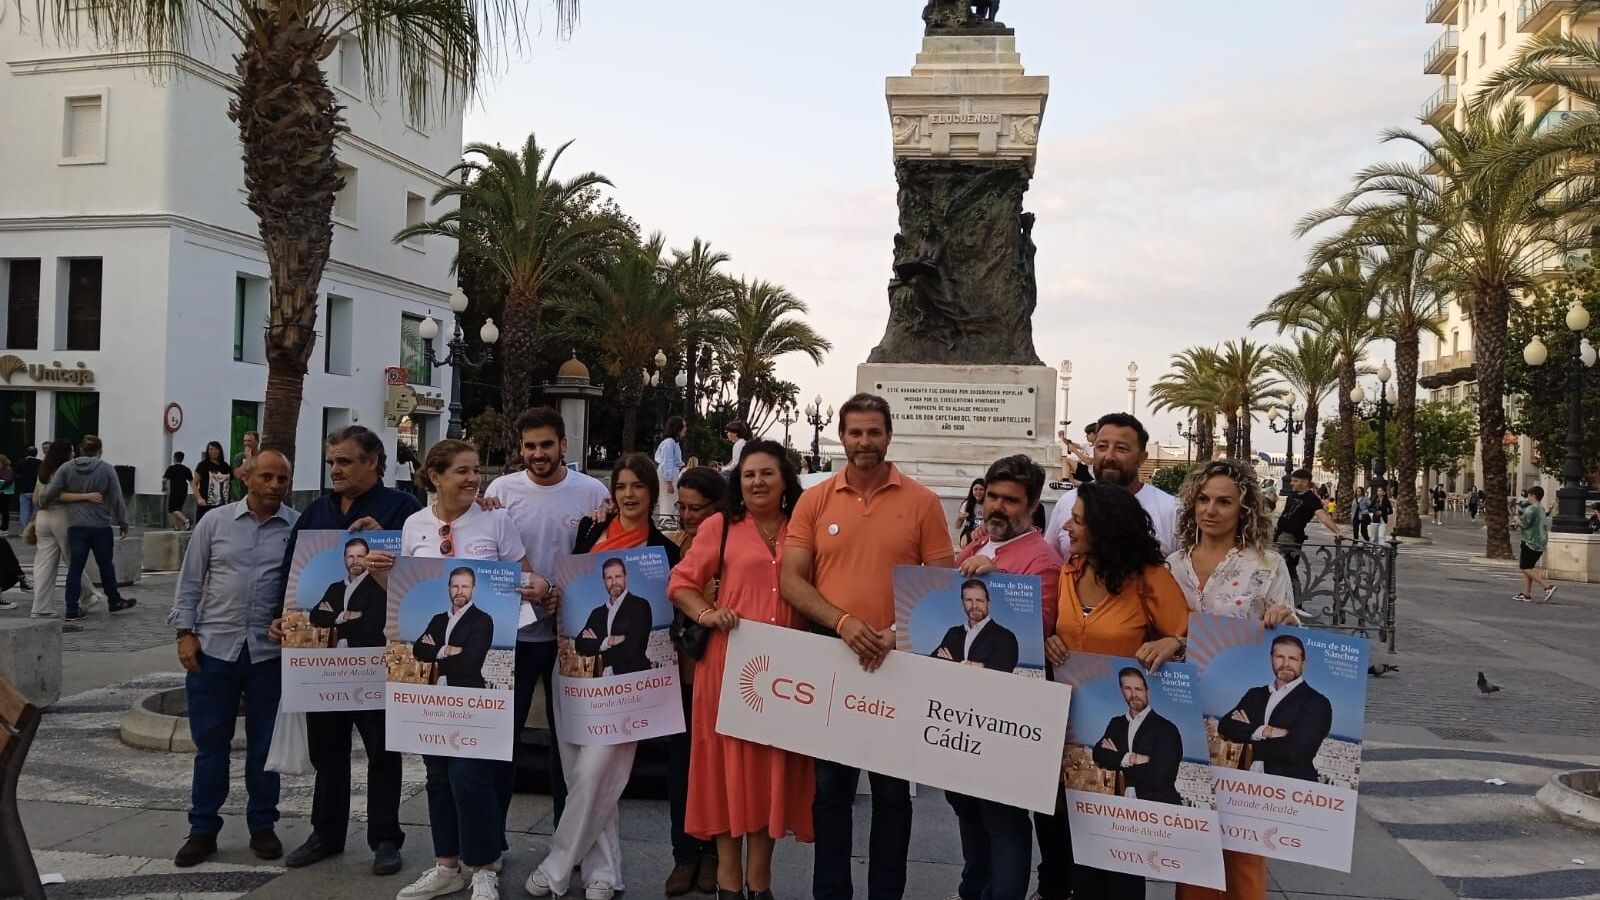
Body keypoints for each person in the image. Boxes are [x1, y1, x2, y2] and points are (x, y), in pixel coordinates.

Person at [779, 392, 954, 900]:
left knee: (893, 795)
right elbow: (791, 580)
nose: (864, 441)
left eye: (874, 432)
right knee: (831, 790)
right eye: (855, 432)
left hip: (898, 661)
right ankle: (830, 891)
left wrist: (896, 634)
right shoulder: (816, 499)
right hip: (832, 656)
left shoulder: (921, 502)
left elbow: (942, 586)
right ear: (841, 436)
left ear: (889, 436)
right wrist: (843, 623)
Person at [527, 453, 682, 900]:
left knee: (596, 773)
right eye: (622, 486)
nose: (629, 494)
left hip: (630, 686)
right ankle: (604, 874)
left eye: (638, 485)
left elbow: (644, 634)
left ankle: (557, 865)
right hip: (573, 674)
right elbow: (574, 601)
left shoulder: (665, 551)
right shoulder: (589, 531)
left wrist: (607, 642)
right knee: (578, 772)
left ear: (652, 491)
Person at [668, 440, 815, 900]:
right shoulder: (721, 527)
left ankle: (760, 882)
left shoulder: (802, 529)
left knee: (771, 772)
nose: (757, 482)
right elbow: (681, 583)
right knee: (727, 774)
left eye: (767, 473)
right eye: (749, 474)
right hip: (729, 668)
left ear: (785, 479)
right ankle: (729, 882)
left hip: (786, 672)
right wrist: (706, 613)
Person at [395, 438, 539, 900]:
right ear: (435, 476)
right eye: (462, 470)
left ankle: (484, 865)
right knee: (437, 774)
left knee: (471, 773)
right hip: (430, 693)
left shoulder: (496, 520)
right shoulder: (414, 525)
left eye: (476, 469)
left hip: (480, 686)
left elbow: (524, 574)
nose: (474, 478)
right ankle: (446, 864)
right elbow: (416, 626)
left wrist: (535, 586)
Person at [279, 426, 421, 877]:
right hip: (323, 668)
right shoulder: (316, 511)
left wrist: (386, 540)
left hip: (378, 661)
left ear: (372, 462)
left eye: (344, 461)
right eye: (331, 462)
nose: (335, 469)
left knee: (383, 751)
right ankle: (326, 833)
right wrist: (277, 616)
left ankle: (385, 838)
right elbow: (291, 572)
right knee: (328, 751)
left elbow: (420, 574)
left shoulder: (403, 510)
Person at [1043, 480, 1189, 900]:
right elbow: (1060, 628)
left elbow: (1188, 635)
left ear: (1105, 528)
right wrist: (1049, 640)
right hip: (1070, 729)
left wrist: (1173, 642)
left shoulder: (1150, 579)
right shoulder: (1070, 570)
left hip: (1126, 731)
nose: (1066, 526)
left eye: (1077, 520)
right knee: (1078, 851)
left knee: (1122, 863)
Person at [1167, 458, 1298, 900]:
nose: (1211, 510)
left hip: (1239, 718)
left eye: (1224, 502)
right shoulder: (1173, 565)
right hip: (1183, 712)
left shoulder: (1267, 565)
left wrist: (1284, 618)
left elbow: (1290, 637)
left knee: (1243, 839)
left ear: (1244, 508)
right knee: (1192, 835)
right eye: (1203, 499)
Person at [168, 450, 298, 867]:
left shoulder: (296, 527)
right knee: (211, 746)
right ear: (247, 478)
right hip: (215, 649)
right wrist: (185, 634)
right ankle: (202, 830)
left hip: (269, 654)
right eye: (267, 476)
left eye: (282, 479)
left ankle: (263, 826)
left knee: (265, 748)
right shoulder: (215, 522)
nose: (275, 485)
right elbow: (191, 580)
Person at [484, 407, 605, 834]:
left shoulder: (592, 492)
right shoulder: (500, 490)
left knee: (569, 744)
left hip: (568, 636)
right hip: (511, 636)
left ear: (563, 445)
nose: (538, 454)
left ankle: (567, 839)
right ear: (520, 449)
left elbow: (604, 559)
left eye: (546, 445)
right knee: (502, 740)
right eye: (530, 446)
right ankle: (491, 843)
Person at [951, 454, 1060, 900]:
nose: (997, 506)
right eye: (993, 496)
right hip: (960, 707)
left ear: (1032, 506)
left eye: (1010, 500)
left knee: (1003, 817)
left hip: (1006, 715)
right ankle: (973, 889)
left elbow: (1041, 630)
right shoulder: (976, 546)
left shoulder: (1042, 560)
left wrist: (999, 583)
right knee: (966, 807)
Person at [662, 465, 727, 896]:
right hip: (680, 675)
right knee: (682, 768)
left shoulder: (731, 544)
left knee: (718, 770)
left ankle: (715, 855)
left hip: (720, 674)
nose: (687, 516)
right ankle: (684, 854)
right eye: (681, 507)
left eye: (696, 508)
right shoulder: (671, 545)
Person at [1044, 413, 1178, 559]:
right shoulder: (1069, 501)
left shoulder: (1171, 511)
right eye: (1102, 447)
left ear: (1142, 458)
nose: (1109, 457)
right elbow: (1050, 562)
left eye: (1121, 449)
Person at [40, 434, 138, 619]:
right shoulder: (106, 469)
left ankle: (71, 608)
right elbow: (117, 498)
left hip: (76, 525)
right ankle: (114, 600)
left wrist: (44, 503)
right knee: (106, 564)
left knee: (75, 568)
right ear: (100, 450)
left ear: (80, 449)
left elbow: (51, 493)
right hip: (101, 525)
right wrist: (123, 523)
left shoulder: (66, 468)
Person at [1216, 635, 1333, 783]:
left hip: (1291, 787)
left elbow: (1297, 752)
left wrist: (1249, 734)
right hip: (1245, 783)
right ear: (1271, 659)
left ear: (1303, 663)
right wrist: (1267, 732)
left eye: (1293, 658)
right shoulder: (1255, 695)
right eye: (1279, 657)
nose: (1286, 664)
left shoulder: (1317, 703)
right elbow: (1225, 726)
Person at [28, 441, 104, 619]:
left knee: (43, 563)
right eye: (71, 451)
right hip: (61, 515)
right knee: (73, 560)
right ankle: (89, 594)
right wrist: (87, 496)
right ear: (65, 453)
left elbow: (36, 498)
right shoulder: (67, 470)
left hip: (43, 517)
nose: (74, 454)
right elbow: (61, 495)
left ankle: (40, 607)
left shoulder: (43, 471)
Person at [1091, 667, 1183, 805]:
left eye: (1138, 689)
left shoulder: (1166, 729)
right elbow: (1098, 754)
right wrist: (1133, 758)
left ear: (1147, 692)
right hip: (1121, 806)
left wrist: (1118, 760)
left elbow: (1160, 777)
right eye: (1128, 689)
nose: (1134, 694)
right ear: (1122, 691)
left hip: (1158, 808)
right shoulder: (1116, 724)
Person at [412, 566, 495, 688]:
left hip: (467, 692)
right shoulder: (438, 620)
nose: (459, 591)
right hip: (435, 690)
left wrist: (435, 652)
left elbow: (469, 664)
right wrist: (447, 650)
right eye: (455, 586)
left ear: (473, 589)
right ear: (449, 589)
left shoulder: (482, 620)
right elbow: (418, 649)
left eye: (465, 586)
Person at [1273, 469, 1344, 603]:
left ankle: (1295, 600)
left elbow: (1323, 516)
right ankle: (1283, 598)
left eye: (1295, 481)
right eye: (1292, 480)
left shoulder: (1311, 499)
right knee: (1280, 567)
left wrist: (1337, 531)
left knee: (1287, 567)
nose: (1292, 483)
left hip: (1290, 537)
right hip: (1279, 533)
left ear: (1305, 482)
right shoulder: (1292, 495)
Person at [573, 558, 653, 676]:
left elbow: (634, 649)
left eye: (618, 576)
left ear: (625, 577)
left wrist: (597, 646)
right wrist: (608, 641)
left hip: (634, 678)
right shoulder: (597, 613)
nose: (614, 582)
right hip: (602, 680)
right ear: (604, 581)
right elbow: (579, 644)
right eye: (609, 578)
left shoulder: (640, 605)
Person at [309, 537, 388, 648]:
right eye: (350, 557)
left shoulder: (378, 586)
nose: (355, 561)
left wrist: (334, 619)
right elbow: (315, 617)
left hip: (367, 653)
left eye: (360, 556)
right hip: (336, 653)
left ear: (367, 558)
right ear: (344, 559)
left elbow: (372, 626)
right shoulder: (335, 588)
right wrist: (344, 616)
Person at [932, 579, 1019, 671]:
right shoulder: (953, 633)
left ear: (988, 603)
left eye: (979, 600)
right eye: (968, 600)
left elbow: (1003, 669)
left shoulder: (1005, 637)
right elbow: (932, 662)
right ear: (962, 602)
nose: (974, 606)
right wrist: (979, 665)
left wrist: (954, 663)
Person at [1513, 486, 1557, 603]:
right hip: (1540, 542)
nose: (1528, 498)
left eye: (1529, 495)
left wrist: (1516, 519)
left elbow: (1524, 524)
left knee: (1525, 568)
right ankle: (1526, 594)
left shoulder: (1531, 509)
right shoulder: (1541, 509)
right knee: (1529, 567)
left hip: (1530, 542)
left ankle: (1548, 586)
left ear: (1534, 496)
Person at [655, 416, 688, 519]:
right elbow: (667, 462)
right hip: (669, 476)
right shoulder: (669, 443)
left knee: (671, 501)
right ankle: (667, 523)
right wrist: (669, 482)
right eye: (683, 426)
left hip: (671, 474)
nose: (685, 429)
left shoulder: (673, 443)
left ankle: (669, 523)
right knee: (668, 502)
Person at [194, 441, 232, 523]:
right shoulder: (203, 465)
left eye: (216, 449)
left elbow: (230, 482)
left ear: (219, 451)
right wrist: (199, 498)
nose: (213, 451)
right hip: (206, 504)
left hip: (222, 504)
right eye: (211, 449)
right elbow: (194, 483)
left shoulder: (225, 466)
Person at [164, 451, 194, 531]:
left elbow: (164, 479)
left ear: (174, 458)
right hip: (184, 491)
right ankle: (177, 526)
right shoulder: (186, 469)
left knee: (173, 509)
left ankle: (186, 521)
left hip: (175, 491)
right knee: (178, 509)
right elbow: (191, 481)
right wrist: (195, 491)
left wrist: (163, 487)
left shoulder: (171, 468)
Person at [14, 446, 41, 529]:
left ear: (26, 453)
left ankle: (24, 529)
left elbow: (16, 475)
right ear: (36, 453)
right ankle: (33, 529)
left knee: (24, 511)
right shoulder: (40, 463)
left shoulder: (20, 462)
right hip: (36, 490)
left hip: (24, 490)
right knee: (35, 512)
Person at [955, 478, 986, 547]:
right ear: (972, 491)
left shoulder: (989, 505)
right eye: (975, 489)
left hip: (984, 532)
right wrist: (960, 518)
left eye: (981, 489)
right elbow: (957, 526)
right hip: (969, 533)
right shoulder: (966, 504)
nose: (978, 492)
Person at [232, 429, 260, 500]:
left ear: (257, 441)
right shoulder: (239, 457)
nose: (246, 443)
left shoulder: (262, 456)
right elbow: (238, 475)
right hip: (244, 495)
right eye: (245, 441)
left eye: (249, 441)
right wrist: (248, 459)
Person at [0, 455, 14, 533]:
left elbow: (10, 480)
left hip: (5, 492)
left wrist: (2, 486)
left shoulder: (8, 469)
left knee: (4, 510)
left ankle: (4, 528)